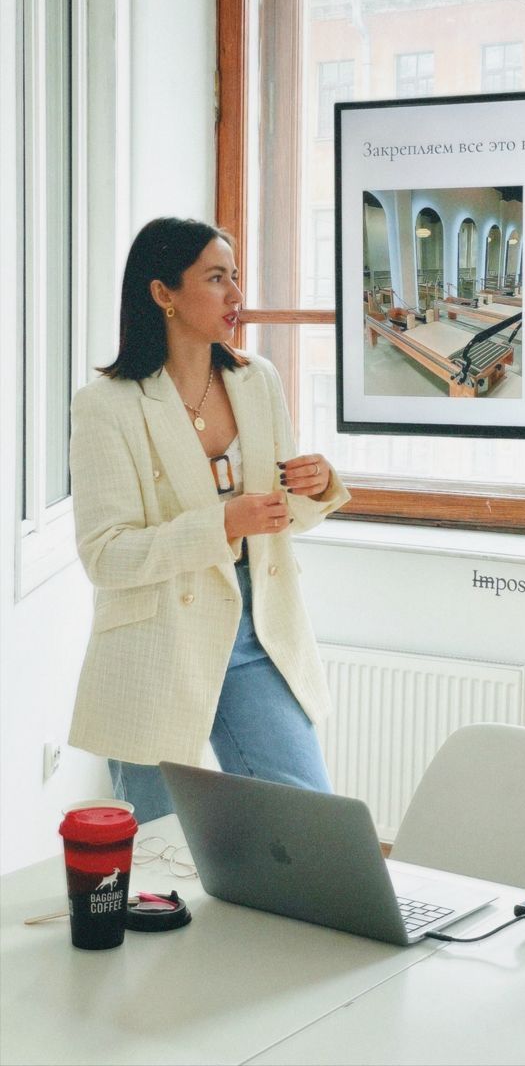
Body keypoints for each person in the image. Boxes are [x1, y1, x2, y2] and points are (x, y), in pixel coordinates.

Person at [68, 217, 350, 823]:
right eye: (216, 278)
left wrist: (317, 486)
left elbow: (279, 514)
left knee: (308, 823)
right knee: (155, 855)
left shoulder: (257, 381)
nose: (236, 296)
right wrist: (223, 524)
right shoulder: (105, 407)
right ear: (163, 293)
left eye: (236, 278)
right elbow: (106, 555)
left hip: (258, 632)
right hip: (156, 639)